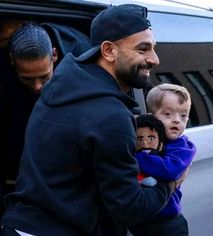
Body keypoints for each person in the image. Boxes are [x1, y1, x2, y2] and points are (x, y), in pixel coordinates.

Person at [1, 4, 186, 236]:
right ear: (108, 51)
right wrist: (171, 183)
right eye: (143, 49)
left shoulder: (56, 90)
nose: (155, 59)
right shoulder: (111, 116)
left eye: (154, 48)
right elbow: (131, 208)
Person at [0, 22, 58, 217]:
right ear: (12, 61)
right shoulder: (6, 87)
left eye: (44, 77)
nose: (37, 87)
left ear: (55, 56)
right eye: (27, 78)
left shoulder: (81, 76)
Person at [130, 83, 197, 236]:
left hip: (167, 222)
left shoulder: (183, 147)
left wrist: (138, 157)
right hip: (141, 219)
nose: (176, 120)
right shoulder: (143, 140)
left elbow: (169, 170)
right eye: (168, 114)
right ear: (151, 117)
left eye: (183, 115)